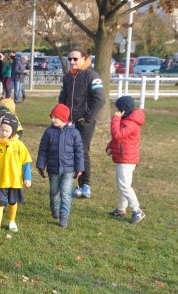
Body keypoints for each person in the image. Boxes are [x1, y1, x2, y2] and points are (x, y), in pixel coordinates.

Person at [59, 47, 106, 199]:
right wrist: (61, 117)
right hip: (69, 123)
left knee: (82, 152)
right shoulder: (67, 78)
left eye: (75, 59)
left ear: (84, 59)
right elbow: (62, 99)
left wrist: (88, 118)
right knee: (69, 152)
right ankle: (74, 184)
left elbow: (100, 99)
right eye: (70, 59)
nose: (72, 61)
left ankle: (85, 185)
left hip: (85, 123)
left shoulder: (91, 75)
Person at [0, 114, 32, 237]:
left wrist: (28, 178)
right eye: (2, 130)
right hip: (0, 181)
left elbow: (26, 163)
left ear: (13, 131)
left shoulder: (19, 145)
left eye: (7, 130)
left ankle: (12, 221)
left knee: (13, 203)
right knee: (0, 203)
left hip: (15, 182)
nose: (3, 133)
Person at [36, 104, 84, 228]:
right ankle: (55, 210)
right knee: (53, 192)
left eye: (56, 118)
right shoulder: (49, 132)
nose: (53, 120)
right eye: (52, 117)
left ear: (63, 118)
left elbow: (79, 152)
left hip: (68, 169)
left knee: (65, 193)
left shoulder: (74, 133)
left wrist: (79, 168)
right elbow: (43, 150)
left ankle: (64, 217)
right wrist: (41, 165)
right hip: (53, 169)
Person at [106, 96, 146, 224]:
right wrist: (110, 146)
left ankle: (137, 210)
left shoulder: (131, 123)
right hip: (124, 157)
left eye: (118, 109)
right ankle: (120, 209)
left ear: (123, 109)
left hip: (126, 159)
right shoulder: (127, 119)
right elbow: (118, 138)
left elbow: (117, 134)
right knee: (124, 185)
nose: (116, 111)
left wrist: (116, 118)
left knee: (123, 185)